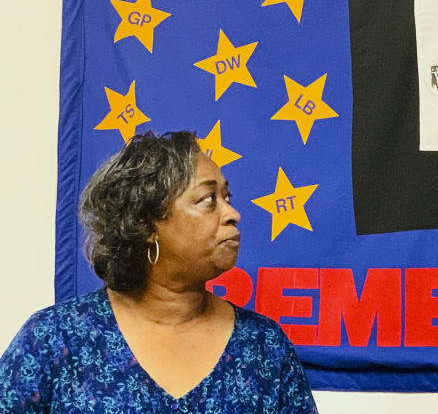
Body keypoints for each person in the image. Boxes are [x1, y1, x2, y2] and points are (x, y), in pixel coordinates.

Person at [0, 131, 319, 413]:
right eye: (208, 199)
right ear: (146, 225)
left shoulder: (264, 347)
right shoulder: (55, 339)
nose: (232, 214)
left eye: (226, 197)